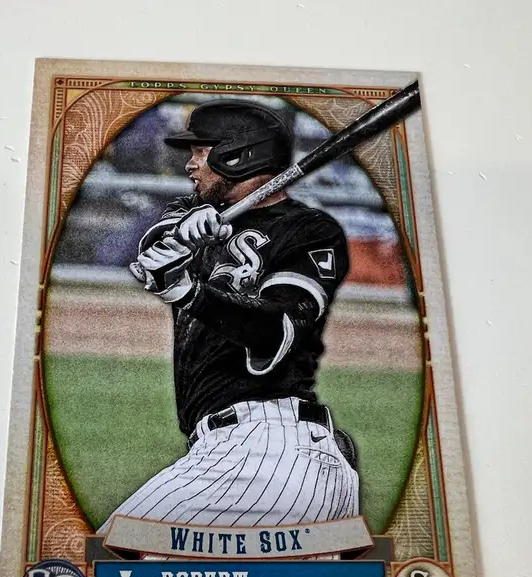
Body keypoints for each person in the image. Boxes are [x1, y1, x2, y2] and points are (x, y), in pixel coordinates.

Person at [98, 99, 358, 534]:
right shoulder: (188, 212)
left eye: (201, 152)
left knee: (107, 560)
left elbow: (275, 333)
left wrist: (190, 292)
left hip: (266, 448)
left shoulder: (308, 231)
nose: (190, 164)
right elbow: (154, 246)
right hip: (241, 453)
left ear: (237, 155)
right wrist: (181, 235)